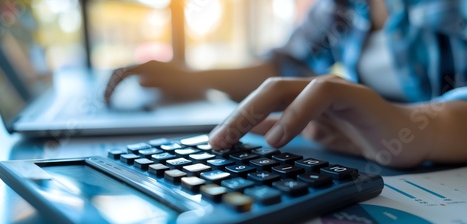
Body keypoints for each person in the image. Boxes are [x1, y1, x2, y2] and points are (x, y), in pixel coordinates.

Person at [104, 0, 467, 168]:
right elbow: (282, 67)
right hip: (371, 159)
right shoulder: (341, 8)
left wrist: (418, 128)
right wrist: (192, 77)